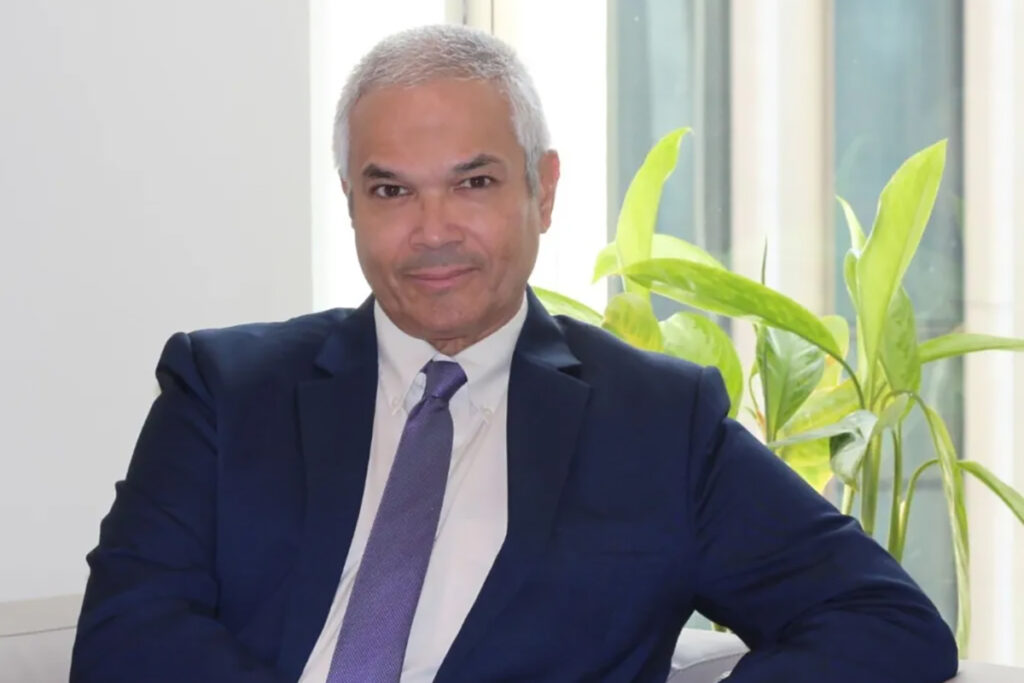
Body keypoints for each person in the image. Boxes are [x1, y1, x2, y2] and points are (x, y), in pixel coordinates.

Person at [71, 24, 958, 683]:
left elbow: (882, 618)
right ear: (351, 202)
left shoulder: (656, 423)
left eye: (475, 182)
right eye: (391, 190)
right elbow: (126, 635)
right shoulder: (223, 390)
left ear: (544, 190)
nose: (432, 232)